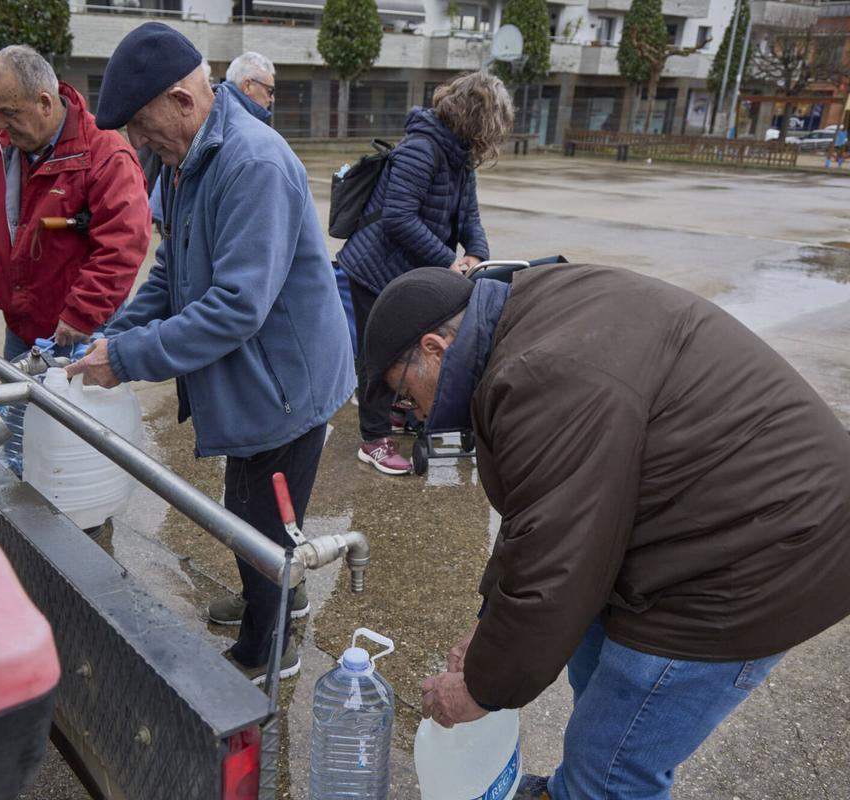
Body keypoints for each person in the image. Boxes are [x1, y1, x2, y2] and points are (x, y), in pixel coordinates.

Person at [361, 264, 850, 800]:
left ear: (434, 348)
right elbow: (544, 512)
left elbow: (557, 559)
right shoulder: (522, 311)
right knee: (594, 684)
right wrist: (490, 628)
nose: (418, 415)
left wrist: (479, 687)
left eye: (406, 396)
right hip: (701, 516)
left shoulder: (540, 373)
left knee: (612, 764)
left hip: (760, 556)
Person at [66, 23, 354, 683]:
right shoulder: (187, 160)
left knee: (262, 526)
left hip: (285, 386)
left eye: (141, 124)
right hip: (255, 380)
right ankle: (278, 596)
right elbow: (172, 272)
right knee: (247, 511)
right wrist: (116, 335)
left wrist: (130, 358)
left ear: (183, 100)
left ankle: (268, 650)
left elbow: (236, 307)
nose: (138, 143)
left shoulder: (251, 163)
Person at [0, 45, 150, 361]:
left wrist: (82, 313)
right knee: (18, 408)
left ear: (45, 103)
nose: (0, 123)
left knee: (82, 410)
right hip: (21, 325)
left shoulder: (106, 156)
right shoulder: (1, 147)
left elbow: (121, 247)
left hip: (81, 330)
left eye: (9, 112)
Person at [338, 72, 511, 476]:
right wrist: (447, 261)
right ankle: (374, 439)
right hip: (374, 267)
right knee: (377, 353)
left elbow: (470, 216)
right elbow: (399, 217)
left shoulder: (459, 155)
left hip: (412, 270)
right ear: (476, 116)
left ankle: (400, 412)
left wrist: (476, 253)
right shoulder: (422, 147)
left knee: (410, 347)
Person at [221, 52, 275, 122]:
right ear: (247, 86)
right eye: (270, 91)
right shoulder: (240, 124)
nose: (272, 99)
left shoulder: (216, 109)